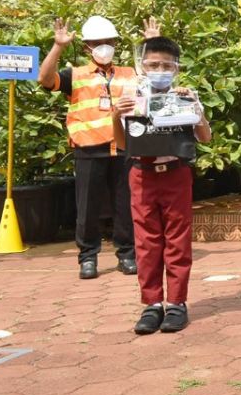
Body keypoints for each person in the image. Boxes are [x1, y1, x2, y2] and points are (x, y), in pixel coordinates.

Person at [38, 15, 158, 280]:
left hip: (125, 146)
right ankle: (88, 257)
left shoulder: (129, 73)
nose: (104, 46)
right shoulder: (76, 74)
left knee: (126, 205)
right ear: (86, 48)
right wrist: (58, 46)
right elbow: (45, 78)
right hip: (89, 147)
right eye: (97, 43)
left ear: (116, 43)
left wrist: (152, 43)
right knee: (88, 206)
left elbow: (156, 75)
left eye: (109, 41)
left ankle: (127, 254)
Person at [114, 37, 211, 334]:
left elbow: (205, 137)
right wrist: (116, 115)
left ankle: (177, 303)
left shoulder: (184, 95)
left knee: (178, 239)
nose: (160, 70)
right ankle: (152, 304)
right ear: (142, 65)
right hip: (142, 173)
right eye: (153, 64)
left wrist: (196, 109)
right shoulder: (131, 95)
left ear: (177, 68)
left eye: (167, 65)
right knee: (146, 241)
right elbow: (121, 144)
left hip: (175, 172)